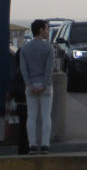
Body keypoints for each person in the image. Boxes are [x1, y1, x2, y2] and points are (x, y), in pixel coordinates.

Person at [19, 19, 54, 155]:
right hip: (45, 87)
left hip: (31, 86)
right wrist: (44, 85)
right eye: (46, 29)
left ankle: (32, 145)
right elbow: (49, 69)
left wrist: (29, 85)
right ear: (40, 30)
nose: (48, 31)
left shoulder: (25, 48)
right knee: (46, 116)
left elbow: (23, 69)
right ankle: (45, 145)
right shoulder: (48, 47)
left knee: (31, 116)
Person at [8, 48, 29, 154]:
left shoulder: (18, 74)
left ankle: (22, 151)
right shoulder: (28, 72)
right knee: (27, 129)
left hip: (20, 104)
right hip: (29, 104)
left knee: (22, 130)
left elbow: (13, 91)